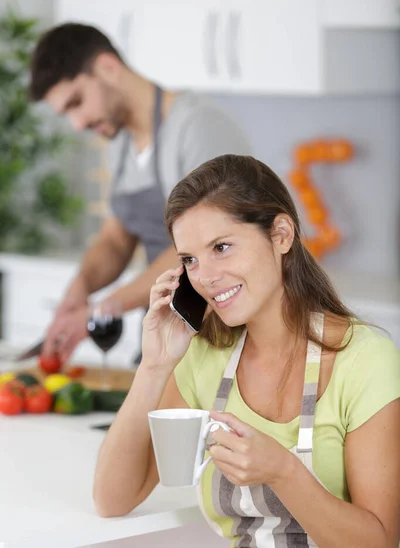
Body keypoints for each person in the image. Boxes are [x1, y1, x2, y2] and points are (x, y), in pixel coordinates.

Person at [93, 154, 400, 548]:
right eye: (190, 260)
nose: (206, 278)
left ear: (281, 234)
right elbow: (113, 498)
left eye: (221, 247)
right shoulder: (204, 360)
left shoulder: (365, 359)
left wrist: (283, 471)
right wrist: (154, 366)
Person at [28, 23, 251, 364]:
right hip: (168, 331)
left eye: (77, 102)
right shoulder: (119, 145)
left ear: (107, 68)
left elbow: (200, 246)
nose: (76, 124)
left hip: (222, 334)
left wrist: (106, 307)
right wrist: (80, 289)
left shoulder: (197, 126)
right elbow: (116, 239)